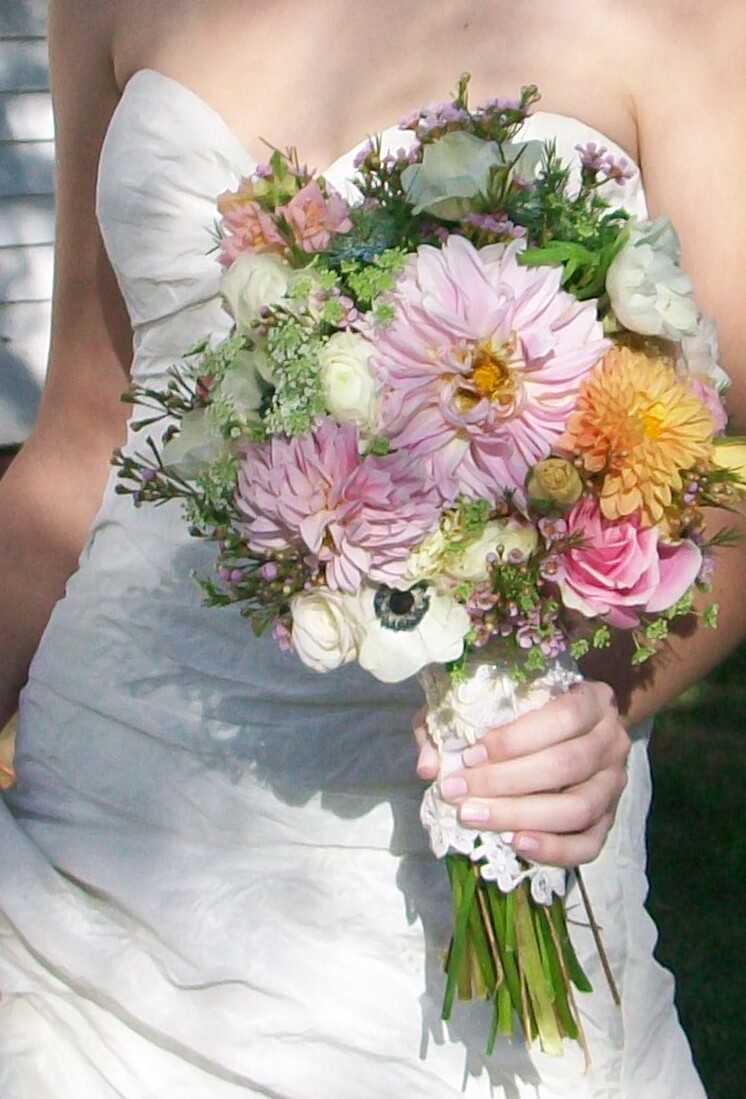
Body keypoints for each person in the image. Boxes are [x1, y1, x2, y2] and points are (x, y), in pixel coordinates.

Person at [0, 1, 744, 1095]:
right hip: (89, 860)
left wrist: (592, 706)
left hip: (461, 848)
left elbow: (727, 479)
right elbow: (76, 447)